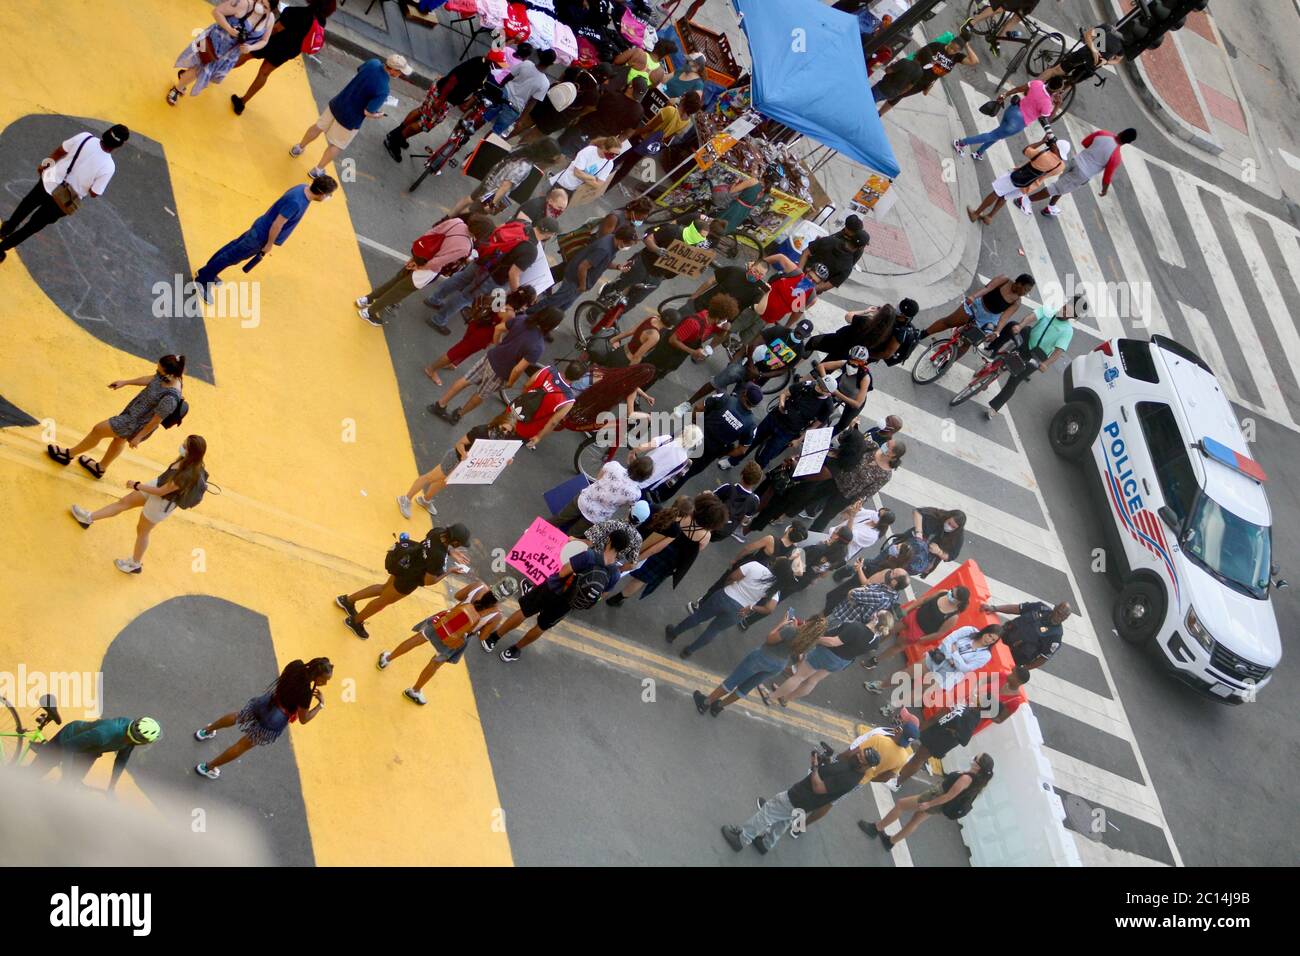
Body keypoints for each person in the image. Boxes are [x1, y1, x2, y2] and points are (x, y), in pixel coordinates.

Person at [720, 735, 886, 854]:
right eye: (859, 752)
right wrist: (825, 760)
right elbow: (832, 770)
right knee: (785, 820)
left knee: (768, 812)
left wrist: (814, 767)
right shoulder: (852, 765)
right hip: (806, 803)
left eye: (861, 757)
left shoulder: (850, 779)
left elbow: (819, 788)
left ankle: (741, 839)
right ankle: (766, 843)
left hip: (800, 796)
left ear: (866, 765)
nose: (857, 754)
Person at [69, 434, 209, 574]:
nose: (182, 447)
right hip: (157, 486)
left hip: (161, 503)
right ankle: (88, 517)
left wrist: (137, 485)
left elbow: (160, 492)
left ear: (193, 453)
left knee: (142, 531)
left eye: (185, 446)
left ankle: (135, 564)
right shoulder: (187, 461)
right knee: (124, 502)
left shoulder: (187, 474)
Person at [481, 531, 631, 662]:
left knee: (525, 611)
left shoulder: (589, 556)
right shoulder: (615, 574)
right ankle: (513, 650)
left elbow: (562, 573)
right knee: (542, 626)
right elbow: (601, 596)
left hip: (552, 589)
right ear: (622, 549)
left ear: (609, 540)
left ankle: (493, 639)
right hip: (568, 603)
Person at [193, 175, 338, 300]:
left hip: (260, 226)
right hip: (261, 236)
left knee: (232, 248)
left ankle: (207, 271)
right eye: (328, 194)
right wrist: (269, 244)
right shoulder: (297, 203)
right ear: (320, 193)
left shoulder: (302, 188)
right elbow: (277, 225)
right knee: (231, 257)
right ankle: (203, 279)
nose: (328, 197)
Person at [0, 125, 129, 262]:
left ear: (107, 132)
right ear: (120, 145)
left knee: (26, 205)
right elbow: (94, 192)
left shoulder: (85, 137)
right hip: (63, 200)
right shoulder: (109, 166)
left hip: (50, 180)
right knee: (32, 226)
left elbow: (60, 151)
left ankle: (7, 228)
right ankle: (3, 247)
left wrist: (45, 164)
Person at [46, 355, 186, 480]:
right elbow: (150, 379)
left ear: (170, 372)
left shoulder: (170, 398)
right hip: (133, 412)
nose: (157, 370)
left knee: (98, 430)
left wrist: (138, 437)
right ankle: (100, 468)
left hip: (134, 423)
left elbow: (156, 421)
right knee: (118, 441)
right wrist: (125, 382)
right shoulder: (167, 376)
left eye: (159, 369)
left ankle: (68, 454)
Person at [195, 658, 332, 780]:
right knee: (242, 745)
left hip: (268, 701)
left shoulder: (297, 665)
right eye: (325, 680)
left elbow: (284, 679)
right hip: (277, 717)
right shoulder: (306, 693)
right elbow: (304, 719)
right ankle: (207, 767)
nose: (325, 684)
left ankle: (205, 731)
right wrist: (320, 705)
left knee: (239, 716)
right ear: (318, 678)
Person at [891, 669, 1029, 786]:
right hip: (961, 711)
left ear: (1018, 681)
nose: (1010, 674)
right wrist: (972, 699)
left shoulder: (1012, 702)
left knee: (921, 756)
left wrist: (979, 711)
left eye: (1014, 674)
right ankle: (904, 757)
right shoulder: (1000, 677)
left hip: (959, 724)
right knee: (926, 738)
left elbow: (996, 720)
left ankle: (898, 781)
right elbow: (981, 681)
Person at [424, 217, 559, 335]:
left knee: (460, 279)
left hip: (484, 258)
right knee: (466, 297)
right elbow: (514, 273)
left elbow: (499, 229)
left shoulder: (522, 223)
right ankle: (438, 319)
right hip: (493, 277)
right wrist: (518, 292)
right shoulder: (531, 250)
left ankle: (434, 299)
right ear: (548, 234)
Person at [428, 307, 566, 423]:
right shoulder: (538, 346)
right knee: (481, 394)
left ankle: (440, 404)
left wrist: (498, 343)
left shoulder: (522, 319)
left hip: (490, 357)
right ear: (551, 325)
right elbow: (518, 369)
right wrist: (511, 382)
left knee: (465, 380)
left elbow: (499, 328)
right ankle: (458, 414)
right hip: (501, 373)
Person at [335, 525, 471, 639]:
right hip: (409, 579)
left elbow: (434, 545)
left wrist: (450, 552)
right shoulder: (438, 557)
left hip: (405, 563)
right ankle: (354, 622)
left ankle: (347, 600)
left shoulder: (437, 531)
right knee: (383, 601)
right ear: (455, 542)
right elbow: (429, 581)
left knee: (384, 588)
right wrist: (450, 571)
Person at [290, 54, 413, 180]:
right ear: (392, 70)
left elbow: (360, 71)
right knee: (337, 145)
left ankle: (298, 148)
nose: (401, 74)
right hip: (350, 119)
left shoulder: (373, 62)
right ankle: (317, 170)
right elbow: (368, 111)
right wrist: (379, 115)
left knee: (318, 126)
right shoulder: (384, 89)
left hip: (338, 103)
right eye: (400, 72)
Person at [356, 213, 491, 326]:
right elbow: (440, 261)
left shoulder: (457, 222)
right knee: (398, 292)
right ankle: (369, 312)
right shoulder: (465, 247)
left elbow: (431, 232)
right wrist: (422, 267)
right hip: (426, 270)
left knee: (395, 281)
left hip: (420, 256)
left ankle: (367, 299)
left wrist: (417, 258)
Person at [376, 584, 502, 704]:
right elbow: (483, 637)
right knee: (435, 663)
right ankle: (414, 691)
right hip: (457, 638)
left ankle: (387, 658)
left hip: (445, 621)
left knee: (417, 639)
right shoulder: (496, 616)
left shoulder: (478, 586)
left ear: (494, 586)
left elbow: (458, 596)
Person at [605, 492, 727, 605]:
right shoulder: (706, 536)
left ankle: (606, 578)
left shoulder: (684, 514)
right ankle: (617, 599)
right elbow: (695, 552)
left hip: (654, 543)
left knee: (629, 565)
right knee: (641, 579)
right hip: (669, 560)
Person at [396, 409, 517, 519]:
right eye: (504, 428)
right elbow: (459, 443)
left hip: (463, 465)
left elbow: (498, 454)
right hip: (455, 458)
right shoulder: (480, 431)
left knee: (444, 482)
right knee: (431, 477)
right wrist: (464, 454)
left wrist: (507, 459)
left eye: (508, 431)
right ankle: (405, 499)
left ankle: (425, 500)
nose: (505, 432)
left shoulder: (501, 438)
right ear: (498, 422)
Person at [860, 753, 994, 851]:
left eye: (976, 758)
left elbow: (948, 796)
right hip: (938, 802)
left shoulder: (967, 778)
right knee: (915, 821)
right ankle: (891, 841)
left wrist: (929, 803)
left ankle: (876, 828)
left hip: (935, 797)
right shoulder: (975, 780)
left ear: (978, 766)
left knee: (901, 804)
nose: (973, 757)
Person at [695, 611, 818, 716]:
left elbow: (770, 639)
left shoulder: (790, 630)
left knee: (733, 681)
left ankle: (705, 703)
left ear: (807, 623)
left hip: (762, 657)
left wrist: (782, 624)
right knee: (745, 688)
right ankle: (719, 707)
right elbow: (799, 656)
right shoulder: (810, 643)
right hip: (779, 665)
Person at [666, 557, 792, 659]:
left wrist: (726, 587)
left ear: (775, 565)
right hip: (739, 611)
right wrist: (752, 607)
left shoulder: (756, 566)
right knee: (713, 630)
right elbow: (769, 609)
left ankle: (673, 633)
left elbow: (733, 577)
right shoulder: (775, 588)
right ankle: (688, 651)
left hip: (725, 596)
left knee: (698, 617)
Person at [600, 214, 728, 312]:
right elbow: (647, 236)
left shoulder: (701, 244)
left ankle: (615, 316)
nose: (704, 240)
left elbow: (705, 255)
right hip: (643, 263)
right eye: (702, 236)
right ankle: (601, 301)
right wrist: (656, 249)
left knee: (635, 300)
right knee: (621, 285)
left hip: (660, 275)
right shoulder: (672, 230)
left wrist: (700, 266)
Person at [384, 50, 496, 160]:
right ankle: (395, 140)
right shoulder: (478, 66)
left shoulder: (483, 65)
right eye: (499, 64)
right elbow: (453, 80)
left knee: (422, 111)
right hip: (443, 97)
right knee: (426, 123)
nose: (500, 67)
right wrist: (440, 101)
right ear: (492, 60)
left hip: (442, 93)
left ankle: (396, 133)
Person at [230, 0, 336, 115]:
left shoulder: (295, 12)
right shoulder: (321, 22)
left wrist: (259, 37)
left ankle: (219, 69)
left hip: (272, 43)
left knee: (246, 56)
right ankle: (242, 101)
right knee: (264, 73)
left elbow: (275, 29)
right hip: (288, 51)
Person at [771, 611, 894, 705]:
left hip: (827, 654)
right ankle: (786, 698)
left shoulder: (856, 628)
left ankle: (772, 697)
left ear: (876, 618)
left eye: (877, 613)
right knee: (812, 681)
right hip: (841, 662)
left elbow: (833, 642)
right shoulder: (876, 641)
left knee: (799, 676)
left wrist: (813, 637)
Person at [984, 296, 1078, 417]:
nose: (1063, 311)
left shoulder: (1067, 331)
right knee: (1006, 352)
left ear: (1071, 318)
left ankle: (994, 408)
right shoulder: (1049, 310)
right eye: (1064, 308)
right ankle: (988, 364)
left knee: (1014, 380)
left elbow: (1059, 350)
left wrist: (1046, 364)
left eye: (1067, 313)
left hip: (1037, 355)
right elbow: (1032, 316)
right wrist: (1021, 325)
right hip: (1027, 341)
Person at [422, 286, 536, 385]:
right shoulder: (510, 314)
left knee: (462, 346)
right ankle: (431, 369)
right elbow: (498, 330)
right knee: (456, 351)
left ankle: (452, 363)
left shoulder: (503, 297)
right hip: (483, 335)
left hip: (477, 324)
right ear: (524, 303)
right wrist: (498, 344)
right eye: (529, 304)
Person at [686, 317, 813, 406]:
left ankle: (711, 414)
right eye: (798, 331)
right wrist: (751, 366)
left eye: (802, 335)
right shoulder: (779, 331)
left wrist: (760, 375)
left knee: (735, 402)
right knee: (717, 382)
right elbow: (754, 343)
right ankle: (688, 403)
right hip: (746, 365)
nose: (798, 335)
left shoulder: (799, 351)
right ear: (796, 327)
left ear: (807, 336)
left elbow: (784, 370)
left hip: (758, 379)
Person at [168, 0, 275, 104]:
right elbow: (217, 11)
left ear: (270, 10)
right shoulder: (243, 4)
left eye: (265, 7)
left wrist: (251, 48)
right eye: (261, 1)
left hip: (230, 55)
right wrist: (229, 29)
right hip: (213, 42)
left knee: (205, 72)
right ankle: (177, 89)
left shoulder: (270, 19)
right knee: (199, 68)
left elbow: (264, 41)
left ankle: (185, 77)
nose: (260, 6)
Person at [732, 374, 837, 471]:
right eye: (819, 383)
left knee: (766, 456)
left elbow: (814, 426)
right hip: (775, 417)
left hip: (788, 432)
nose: (817, 387)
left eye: (821, 387)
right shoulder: (807, 385)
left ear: (828, 393)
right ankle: (732, 461)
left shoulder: (827, 407)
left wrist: (799, 440)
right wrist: (781, 404)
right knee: (752, 440)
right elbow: (785, 393)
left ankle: (748, 477)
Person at [605, 91, 704, 192]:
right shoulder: (686, 121)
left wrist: (631, 133)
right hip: (649, 145)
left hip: (640, 139)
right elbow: (668, 137)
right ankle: (607, 188)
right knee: (627, 167)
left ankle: (601, 179)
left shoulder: (670, 111)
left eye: (684, 95)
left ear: (684, 99)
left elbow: (649, 127)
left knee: (617, 159)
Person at [33, 716, 161, 793]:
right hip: (69, 740)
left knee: (70, 786)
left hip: (89, 752)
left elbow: (121, 760)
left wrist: (111, 788)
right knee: (33, 774)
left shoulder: (130, 737)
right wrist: (67, 775)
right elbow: (68, 747)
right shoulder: (104, 734)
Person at [1027, 128, 1137, 217]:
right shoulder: (1116, 157)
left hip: (1075, 161)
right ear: (1128, 142)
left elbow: (1085, 143)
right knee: (1057, 188)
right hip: (1083, 174)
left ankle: (1051, 206)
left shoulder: (1103, 133)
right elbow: (1107, 178)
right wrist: (1104, 190)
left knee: (1063, 186)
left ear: (1121, 131)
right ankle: (1026, 200)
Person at [808, 435, 905, 534]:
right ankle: (808, 511)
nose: (885, 445)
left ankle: (810, 534)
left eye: (888, 445)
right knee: (813, 496)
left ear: (892, 455)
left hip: (845, 496)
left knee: (825, 517)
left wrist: (854, 505)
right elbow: (856, 446)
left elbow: (868, 492)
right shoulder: (874, 447)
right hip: (835, 479)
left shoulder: (885, 475)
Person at [537, 224, 638, 315]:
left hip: (578, 280)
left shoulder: (612, 241)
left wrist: (618, 267)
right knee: (554, 302)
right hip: (575, 281)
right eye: (628, 245)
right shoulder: (604, 249)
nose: (628, 247)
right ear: (621, 240)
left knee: (563, 306)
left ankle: (545, 322)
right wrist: (582, 285)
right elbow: (583, 266)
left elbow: (603, 263)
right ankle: (530, 314)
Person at [953, 76, 1061, 161]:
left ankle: (979, 152)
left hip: (1012, 110)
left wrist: (1005, 95)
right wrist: (1057, 105)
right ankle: (961, 143)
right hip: (1018, 123)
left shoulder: (1037, 83)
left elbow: (1019, 88)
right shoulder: (1047, 104)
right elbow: (1048, 119)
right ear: (1056, 90)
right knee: (993, 135)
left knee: (998, 134)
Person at [450, 139, 565, 218]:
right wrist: (492, 204)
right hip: (493, 191)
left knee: (470, 199)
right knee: (473, 211)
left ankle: (448, 217)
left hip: (491, 177)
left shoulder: (524, 147)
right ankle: (453, 223)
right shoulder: (525, 166)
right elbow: (505, 186)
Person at [967, 134, 1067, 223]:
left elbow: (1026, 149)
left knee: (996, 192)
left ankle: (976, 214)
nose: (1053, 144)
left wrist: (1041, 142)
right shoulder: (1060, 166)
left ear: (1057, 148)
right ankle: (989, 217)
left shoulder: (1045, 156)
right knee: (1004, 197)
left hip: (1018, 177)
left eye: (1055, 145)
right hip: (1028, 186)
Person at [869, 585, 971, 670]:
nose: (950, 593)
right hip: (913, 616)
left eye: (953, 594)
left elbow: (939, 633)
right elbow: (924, 600)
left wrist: (921, 639)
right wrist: (908, 609)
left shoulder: (953, 617)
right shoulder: (943, 592)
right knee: (890, 629)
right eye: (952, 590)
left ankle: (876, 660)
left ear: (959, 602)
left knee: (898, 645)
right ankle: (873, 644)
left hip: (919, 631)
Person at [679, 383, 762, 484]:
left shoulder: (725, 398)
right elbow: (742, 450)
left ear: (744, 393)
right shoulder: (751, 425)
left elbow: (698, 408)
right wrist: (722, 453)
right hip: (709, 453)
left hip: (694, 435)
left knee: (672, 454)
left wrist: (695, 424)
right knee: (685, 474)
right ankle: (661, 495)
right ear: (755, 405)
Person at [875, 34, 978, 115]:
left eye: (955, 50)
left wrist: (967, 45)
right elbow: (920, 52)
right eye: (951, 47)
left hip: (923, 84)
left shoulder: (957, 57)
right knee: (895, 94)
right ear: (950, 42)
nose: (951, 51)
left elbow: (975, 61)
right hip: (914, 75)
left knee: (899, 96)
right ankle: (874, 105)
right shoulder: (937, 46)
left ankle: (879, 113)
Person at [645, 296, 738, 383]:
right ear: (719, 318)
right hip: (665, 354)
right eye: (725, 318)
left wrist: (725, 330)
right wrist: (693, 352)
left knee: (656, 376)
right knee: (647, 374)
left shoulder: (710, 321)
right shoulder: (694, 323)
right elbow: (673, 340)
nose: (725, 320)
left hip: (676, 357)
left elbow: (720, 334)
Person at [554, 457, 654, 534]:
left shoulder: (614, 466)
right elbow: (626, 506)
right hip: (596, 516)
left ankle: (539, 533)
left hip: (584, 499)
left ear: (634, 463)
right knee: (571, 536)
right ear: (645, 477)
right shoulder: (636, 493)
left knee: (559, 519)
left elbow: (598, 478)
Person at [923, 273, 1034, 341]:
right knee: (949, 322)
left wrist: (997, 332)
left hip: (988, 319)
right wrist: (972, 296)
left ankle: (947, 363)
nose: (1025, 293)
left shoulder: (1017, 302)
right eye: (1026, 289)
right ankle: (922, 334)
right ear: (1019, 283)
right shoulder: (1004, 280)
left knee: (967, 343)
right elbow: (987, 288)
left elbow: (1004, 318)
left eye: (1028, 291)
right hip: (978, 305)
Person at [559, 77, 649, 156]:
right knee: (579, 162)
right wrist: (612, 144)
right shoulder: (639, 111)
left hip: (584, 129)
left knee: (560, 151)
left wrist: (577, 116)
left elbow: (592, 108)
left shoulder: (612, 95)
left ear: (630, 87)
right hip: (601, 141)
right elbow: (628, 133)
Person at [481, 46, 557, 138]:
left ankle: (465, 133)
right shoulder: (545, 83)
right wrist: (521, 119)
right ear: (551, 64)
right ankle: (477, 150)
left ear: (540, 56)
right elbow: (532, 103)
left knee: (483, 117)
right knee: (495, 132)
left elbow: (509, 76)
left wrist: (499, 88)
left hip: (504, 93)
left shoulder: (527, 64)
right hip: (515, 107)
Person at [982, 599, 1072, 670]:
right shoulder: (1040, 607)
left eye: (1064, 616)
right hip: (1001, 638)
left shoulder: (1055, 636)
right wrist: (994, 608)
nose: (1059, 617)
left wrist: (1022, 669)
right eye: (1059, 613)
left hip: (1013, 656)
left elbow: (1043, 658)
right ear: (1055, 608)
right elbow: (1018, 608)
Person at [628, 424, 705, 502]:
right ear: (694, 445)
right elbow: (667, 479)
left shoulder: (667, 439)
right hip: (646, 485)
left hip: (636, 470)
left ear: (683, 431)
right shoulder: (684, 461)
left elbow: (641, 447)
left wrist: (632, 456)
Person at [825, 566, 909, 630]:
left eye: (893, 573)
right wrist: (865, 589)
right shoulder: (894, 594)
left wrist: (862, 589)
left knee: (820, 631)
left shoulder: (880, 596)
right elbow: (868, 586)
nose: (889, 571)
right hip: (851, 620)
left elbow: (852, 593)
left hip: (843, 617)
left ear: (894, 582)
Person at [801, 217, 870, 292]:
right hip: (809, 278)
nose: (844, 228)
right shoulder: (847, 267)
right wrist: (807, 290)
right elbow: (829, 285)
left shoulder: (830, 240)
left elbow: (806, 251)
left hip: (811, 278)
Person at [815, 346, 874, 435]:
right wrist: (826, 380)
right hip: (840, 387)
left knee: (842, 425)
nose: (851, 364)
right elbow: (821, 366)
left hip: (853, 400)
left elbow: (857, 404)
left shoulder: (865, 378)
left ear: (863, 363)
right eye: (851, 361)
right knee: (818, 400)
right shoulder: (844, 363)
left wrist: (837, 393)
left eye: (855, 364)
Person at [710, 461, 764, 542]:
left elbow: (709, 499)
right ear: (756, 482)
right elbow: (744, 520)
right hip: (725, 530)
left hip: (710, 522)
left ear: (742, 474)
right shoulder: (755, 500)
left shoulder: (728, 487)